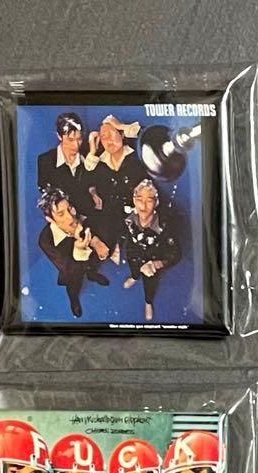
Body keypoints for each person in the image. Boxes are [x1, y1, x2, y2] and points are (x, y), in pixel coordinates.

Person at [36, 187, 110, 318]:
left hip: (91, 261)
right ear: (50, 219)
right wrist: (80, 251)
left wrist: (96, 241)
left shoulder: (80, 214)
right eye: (61, 214)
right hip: (72, 272)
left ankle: (92, 275)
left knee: (92, 267)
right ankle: (74, 300)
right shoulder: (45, 241)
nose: (70, 217)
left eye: (69, 209)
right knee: (74, 286)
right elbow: (68, 268)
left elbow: (94, 226)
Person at [82, 114, 147, 252]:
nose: (109, 141)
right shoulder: (99, 163)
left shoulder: (137, 156)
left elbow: (147, 135)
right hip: (110, 221)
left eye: (112, 134)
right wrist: (92, 151)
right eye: (103, 137)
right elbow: (86, 179)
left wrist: (121, 126)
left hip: (138, 218)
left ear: (122, 135)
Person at [121, 179, 182, 322]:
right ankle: (134, 277)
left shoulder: (164, 225)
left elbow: (176, 254)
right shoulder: (128, 218)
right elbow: (122, 232)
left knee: (150, 284)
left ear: (156, 202)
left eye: (149, 200)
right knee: (134, 269)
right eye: (139, 199)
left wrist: (156, 264)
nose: (143, 206)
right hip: (133, 254)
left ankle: (148, 301)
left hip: (152, 260)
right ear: (134, 201)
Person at [36, 112, 99, 218]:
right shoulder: (45, 161)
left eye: (79, 139)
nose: (76, 145)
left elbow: (92, 183)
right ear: (59, 136)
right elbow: (46, 195)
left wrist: (94, 193)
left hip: (89, 218)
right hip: (64, 221)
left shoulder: (88, 157)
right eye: (70, 140)